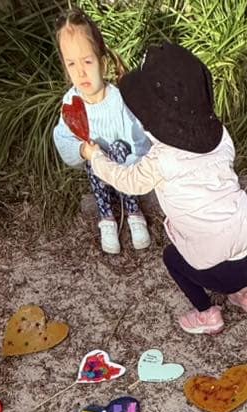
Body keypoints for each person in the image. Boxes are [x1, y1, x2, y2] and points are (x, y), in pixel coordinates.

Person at [80, 42, 247, 335]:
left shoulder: (162, 159)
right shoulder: (220, 135)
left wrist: (96, 158)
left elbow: (127, 181)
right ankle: (245, 294)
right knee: (227, 234)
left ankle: (207, 313)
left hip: (217, 268)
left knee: (172, 259)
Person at [52, 7, 151, 255]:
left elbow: (138, 139)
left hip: (124, 171)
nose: (81, 72)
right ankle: (106, 217)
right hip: (97, 169)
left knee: (118, 147)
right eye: (72, 64)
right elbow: (62, 137)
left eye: (87, 61)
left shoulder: (118, 100)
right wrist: (83, 150)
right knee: (93, 155)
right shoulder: (72, 102)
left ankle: (132, 210)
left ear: (102, 62)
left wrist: (131, 169)